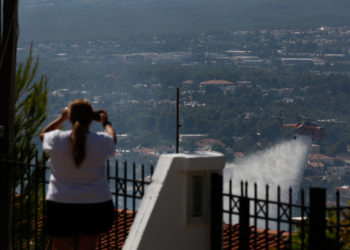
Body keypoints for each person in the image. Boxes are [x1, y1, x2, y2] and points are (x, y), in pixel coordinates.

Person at [40, 99, 117, 250]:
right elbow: (112, 139)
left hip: (60, 203)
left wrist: (61, 118)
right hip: (94, 204)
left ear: (70, 117)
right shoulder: (101, 141)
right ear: (91, 119)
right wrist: (106, 123)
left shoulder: (56, 139)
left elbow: (43, 135)